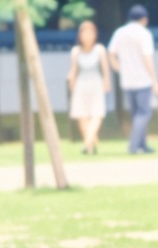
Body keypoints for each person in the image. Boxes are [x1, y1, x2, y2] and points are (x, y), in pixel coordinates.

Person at [108, 4, 158, 154]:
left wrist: (118, 68)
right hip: (143, 79)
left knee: (135, 113)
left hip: (127, 80)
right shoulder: (144, 34)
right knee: (144, 113)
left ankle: (142, 144)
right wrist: (155, 80)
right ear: (144, 19)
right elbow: (147, 58)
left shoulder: (120, 32)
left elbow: (111, 52)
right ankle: (133, 145)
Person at [66, 21, 111, 155]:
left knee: (97, 113)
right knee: (82, 114)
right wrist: (71, 84)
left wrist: (107, 83)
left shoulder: (100, 50)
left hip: (96, 83)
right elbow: (73, 70)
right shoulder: (76, 51)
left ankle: (87, 142)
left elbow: (105, 69)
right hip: (81, 84)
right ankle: (90, 145)